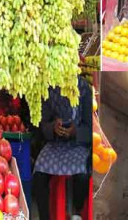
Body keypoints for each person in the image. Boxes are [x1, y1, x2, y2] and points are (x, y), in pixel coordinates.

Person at [33, 76, 92, 220]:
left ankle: (77, 212)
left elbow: (90, 126)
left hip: (78, 145)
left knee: (83, 174)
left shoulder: (83, 88)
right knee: (39, 172)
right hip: (56, 144)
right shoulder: (49, 87)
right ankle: (45, 217)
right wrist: (53, 127)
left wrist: (75, 131)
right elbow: (43, 123)